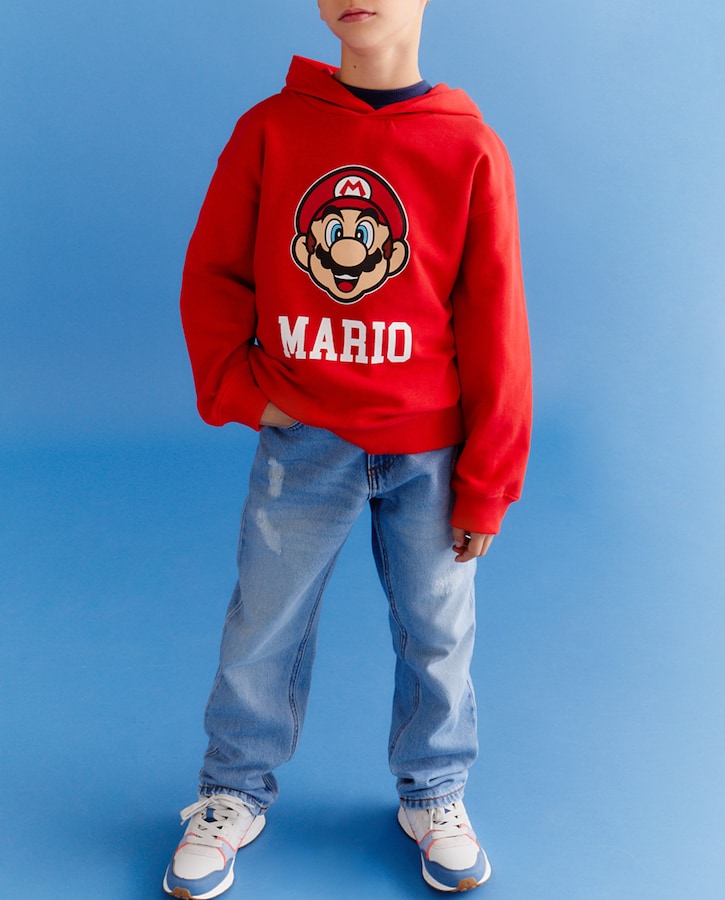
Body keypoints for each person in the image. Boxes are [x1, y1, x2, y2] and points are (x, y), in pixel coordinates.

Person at [163, 0, 532, 896]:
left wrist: (487, 481)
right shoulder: (270, 130)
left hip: (430, 452)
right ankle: (232, 790)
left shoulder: (469, 147)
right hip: (303, 441)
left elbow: (496, 323)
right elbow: (213, 271)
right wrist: (241, 389)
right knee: (262, 626)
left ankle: (434, 791)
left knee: (437, 633)